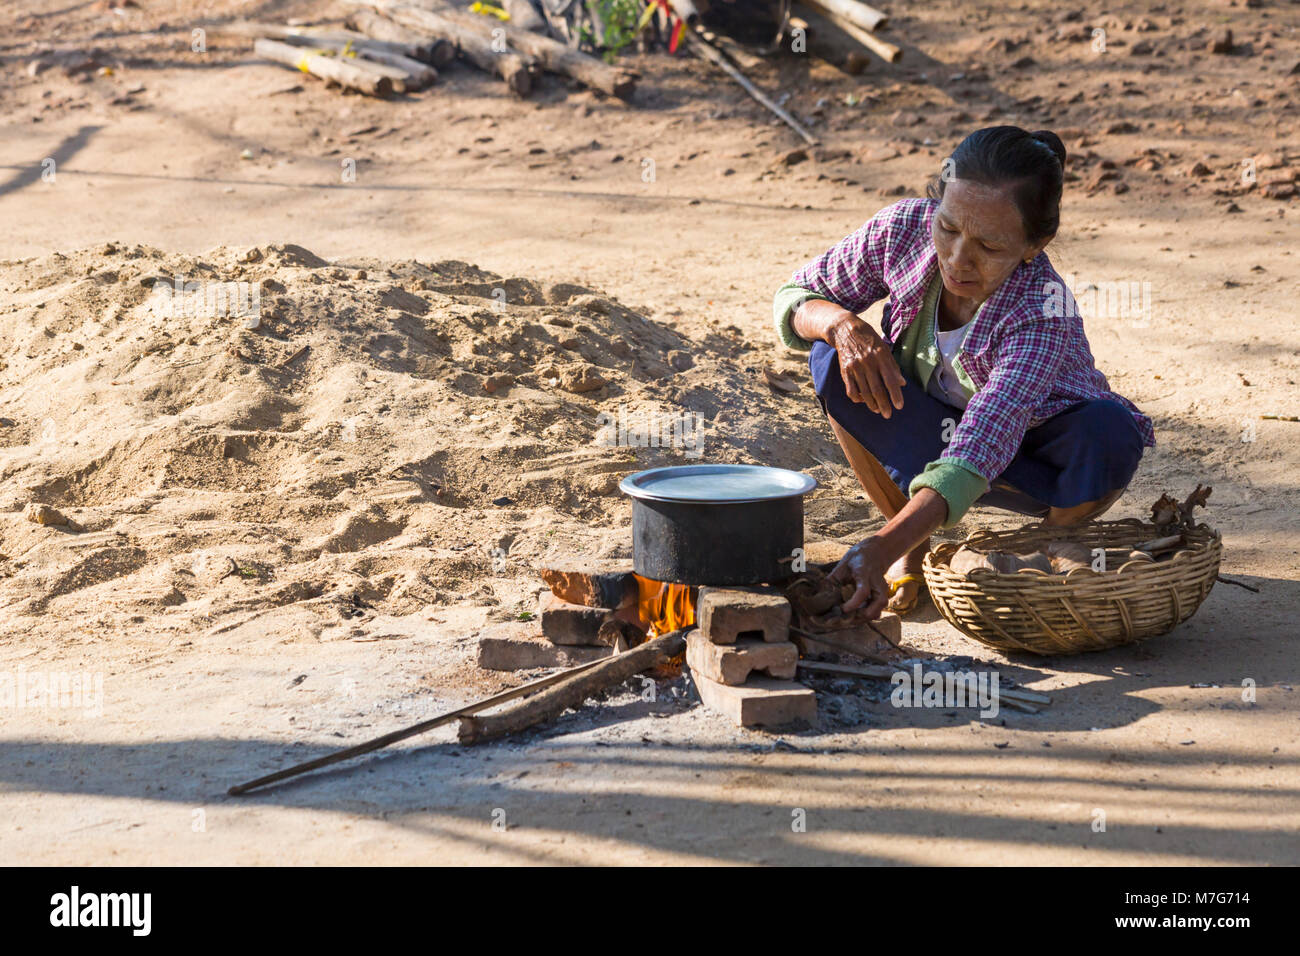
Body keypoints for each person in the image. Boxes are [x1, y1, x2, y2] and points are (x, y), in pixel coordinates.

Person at [772, 126, 1154, 618]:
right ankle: (913, 542)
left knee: (1109, 432)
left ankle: (1053, 544)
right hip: (932, 432)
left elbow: (981, 447)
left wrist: (877, 547)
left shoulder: (1044, 309)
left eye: (989, 247)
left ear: (1035, 245)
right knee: (831, 358)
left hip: (1037, 459)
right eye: (948, 228)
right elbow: (794, 297)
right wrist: (842, 325)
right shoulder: (903, 230)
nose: (956, 259)